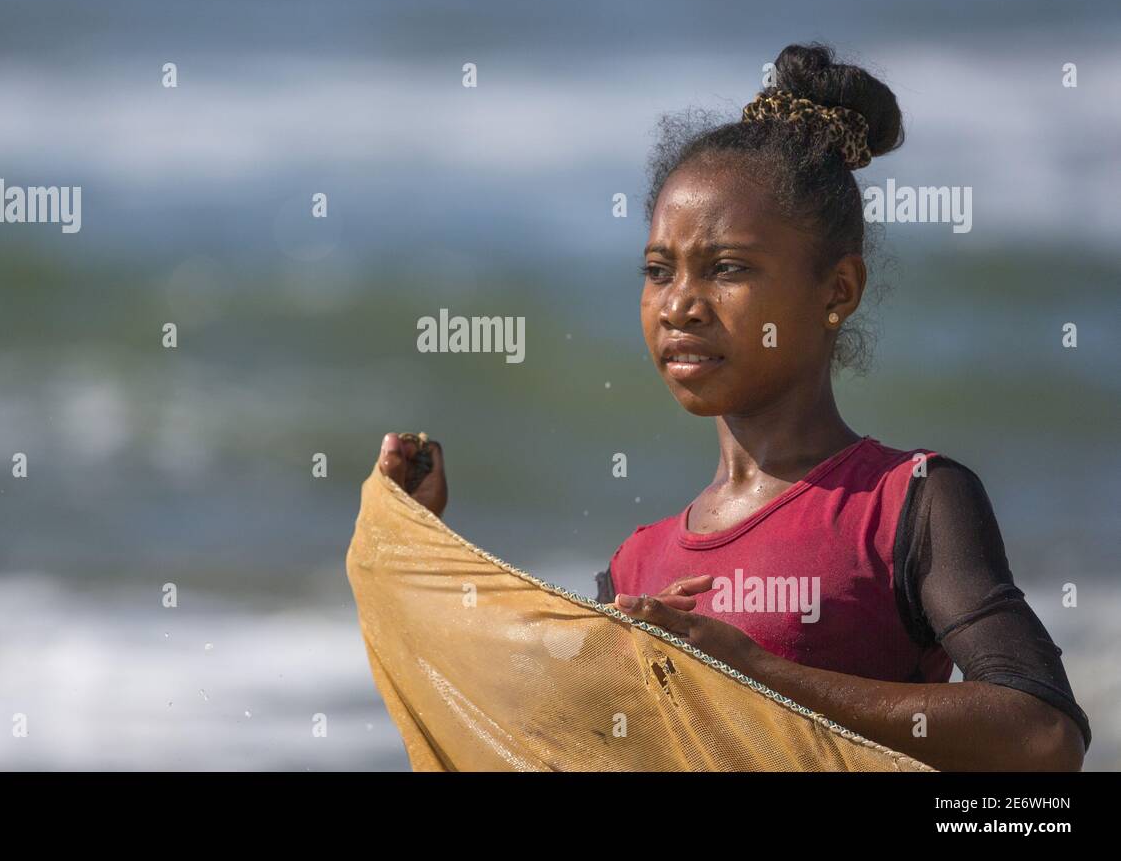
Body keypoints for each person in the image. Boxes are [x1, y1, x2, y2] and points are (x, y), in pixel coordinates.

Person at [377, 43, 1089, 772]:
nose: (679, 304)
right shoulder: (636, 566)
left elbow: (1040, 735)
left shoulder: (908, 503)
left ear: (837, 291)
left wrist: (758, 675)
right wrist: (426, 549)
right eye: (658, 271)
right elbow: (541, 743)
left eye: (727, 269)